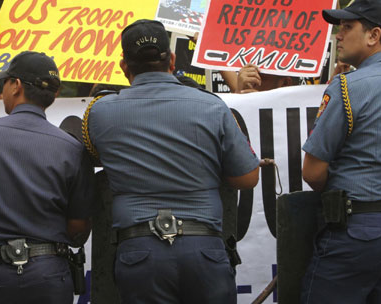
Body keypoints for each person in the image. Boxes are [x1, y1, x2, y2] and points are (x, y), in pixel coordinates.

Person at [83, 19, 259, 304]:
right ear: (173, 60)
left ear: (123, 67)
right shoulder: (212, 105)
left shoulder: (99, 112)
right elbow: (248, 177)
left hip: (139, 252)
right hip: (204, 249)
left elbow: (92, 157)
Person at [0, 51, 94, 304]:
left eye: (7, 81)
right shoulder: (74, 149)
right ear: (54, 95)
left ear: (16, 86)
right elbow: (79, 228)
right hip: (50, 277)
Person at [301, 0, 381, 303]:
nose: (338, 35)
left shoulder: (347, 87)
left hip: (357, 230)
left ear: (374, 35)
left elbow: (313, 171)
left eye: (347, 27)